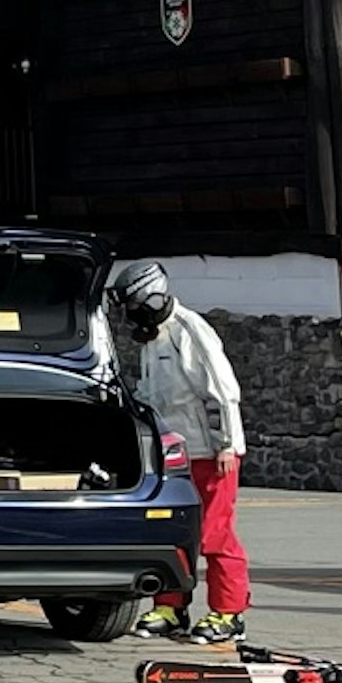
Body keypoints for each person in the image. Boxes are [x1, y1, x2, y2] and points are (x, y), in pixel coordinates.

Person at [112, 261, 249, 645]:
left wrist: (225, 444)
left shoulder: (190, 330)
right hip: (176, 454)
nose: (134, 315)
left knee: (215, 535)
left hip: (211, 452)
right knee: (170, 530)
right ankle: (170, 607)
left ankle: (228, 612)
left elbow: (223, 391)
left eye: (137, 306)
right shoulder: (152, 339)